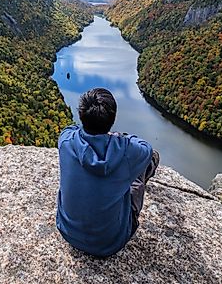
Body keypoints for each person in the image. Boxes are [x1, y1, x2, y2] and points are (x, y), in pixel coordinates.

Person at [56, 87, 160, 257]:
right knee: (148, 162)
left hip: (68, 231)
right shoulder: (127, 151)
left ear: (82, 115)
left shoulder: (66, 141)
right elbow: (147, 150)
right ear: (112, 119)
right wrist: (118, 137)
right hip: (110, 242)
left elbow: (69, 129)